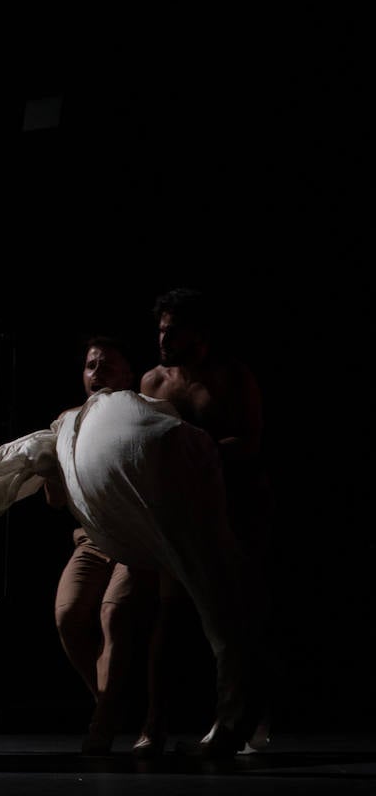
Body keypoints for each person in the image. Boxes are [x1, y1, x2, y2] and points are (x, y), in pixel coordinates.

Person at [135, 287, 273, 757]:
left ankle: (238, 721)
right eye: (160, 330)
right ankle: (154, 725)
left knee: (236, 618)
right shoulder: (152, 382)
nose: (164, 338)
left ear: (201, 333)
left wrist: (202, 453)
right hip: (178, 516)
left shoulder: (231, 377)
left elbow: (251, 443)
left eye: (173, 330)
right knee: (170, 618)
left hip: (234, 509)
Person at [44, 336, 159, 755]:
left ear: (128, 375)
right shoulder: (68, 420)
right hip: (91, 540)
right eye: (91, 365)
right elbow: (56, 500)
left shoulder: (139, 413)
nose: (97, 373)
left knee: (114, 615)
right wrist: (50, 469)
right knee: (69, 614)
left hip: (138, 537)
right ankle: (110, 702)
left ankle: (106, 721)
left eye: (107, 366)